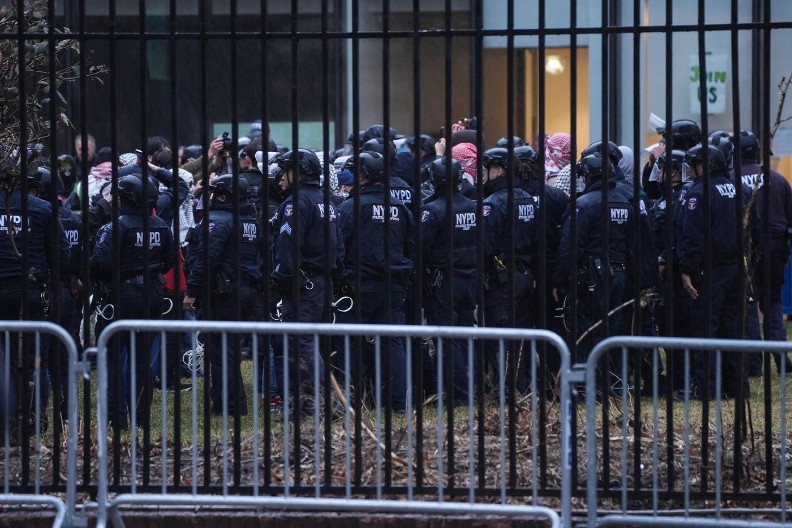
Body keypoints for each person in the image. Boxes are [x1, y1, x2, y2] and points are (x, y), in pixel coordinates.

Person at [91, 175, 173, 430]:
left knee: (113, 359)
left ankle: (118, 419)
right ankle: (141, 417)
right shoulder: (160, 225)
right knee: (141, 360)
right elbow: (169, 260)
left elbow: (100, 262)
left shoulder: (117, 225)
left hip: (122, 296)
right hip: (152, 295)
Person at [337, 151, 413, 412]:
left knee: (353, 342)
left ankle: (353, 400)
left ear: (364, 175)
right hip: (394, 285)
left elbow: (338, 247)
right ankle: (398, 403)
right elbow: (411, 246)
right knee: (393, 342)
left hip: (359, 286)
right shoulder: (401, 208)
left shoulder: (349, 207)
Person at [271, 148, 344, 413]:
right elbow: (340, 247)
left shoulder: (295, 203)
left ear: (298, 171)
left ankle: (323, 404)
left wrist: (281, 277)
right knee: (312, 343)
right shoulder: (326, 201)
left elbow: (289, 246)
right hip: (322, 283)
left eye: (286, 170)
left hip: (302, 285)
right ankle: (308, 403)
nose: (281, 175)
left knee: (302, 343)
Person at [183, 174, 260, 415]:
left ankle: (230, 406)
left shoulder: (217, 220)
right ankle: (226, 403)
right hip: (246, 290)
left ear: (224, 195)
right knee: (229, 348)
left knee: (220, 351)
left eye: (215, 192)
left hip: (223, 292)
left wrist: (192, 291)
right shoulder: (251, 220)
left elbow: (207, 259)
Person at [552, 152, 635, 371]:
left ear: (588, 176)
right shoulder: (625, 202)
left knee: (588, 330)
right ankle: (611, 381)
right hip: (620, 276)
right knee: (613, 330)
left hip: (593, 279)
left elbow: (570, 246)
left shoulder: (584, 204)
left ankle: (590, 386)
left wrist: (559, 280)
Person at [677, 143, 745, 398]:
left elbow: (693, 237)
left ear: (704, 165)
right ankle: (736, 387)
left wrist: (686, 269)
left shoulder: (699, 192)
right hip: (736, 268)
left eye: (694, 164)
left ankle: (706, 388)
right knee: (732, 328)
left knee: (705, 328)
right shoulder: (737, 188)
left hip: (711, 270)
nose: (691, 170)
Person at [420, 157, 478, 406]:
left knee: (447, 340)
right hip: (470, 280)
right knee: (466, 336)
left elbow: (419, 249)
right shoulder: (474, 206)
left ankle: (459, 397)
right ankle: (471, 390)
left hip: (443, 283)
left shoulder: (431, 210)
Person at [480, 147, 538, 394]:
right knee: (520, 336)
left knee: (501, 336)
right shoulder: (526, 197)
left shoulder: (493, 203)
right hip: (525, 274)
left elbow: (485, 245)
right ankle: (522, 387)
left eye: (487, 169)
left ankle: (508, 390)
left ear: (499, 170)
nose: (483, 174)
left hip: (502, 279)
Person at [739, 130, 792, 373]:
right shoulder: (778, 179)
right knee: (772, 302)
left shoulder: (730, 180)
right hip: (775, 246)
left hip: (745, 247)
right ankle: (781, 359)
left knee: (748, 303)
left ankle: (752, 364)